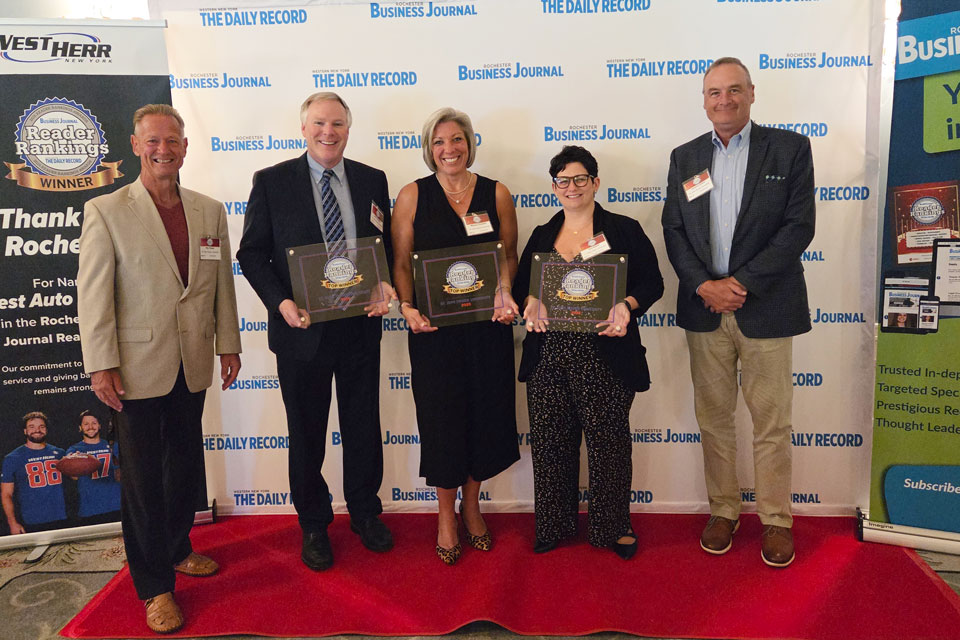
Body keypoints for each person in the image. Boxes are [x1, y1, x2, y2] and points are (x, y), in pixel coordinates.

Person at [77, 103, 242, 633]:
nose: (163, 150)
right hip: (136, 368)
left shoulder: (208, 210)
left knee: (183, 467)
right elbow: (94, 294)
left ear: (185, 146)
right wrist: (101, 363)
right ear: (134, 145)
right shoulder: (107, 210)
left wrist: (228, 344)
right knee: (144, 481)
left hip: (190, 363)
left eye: (172, 140)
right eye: (153, 141)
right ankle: (154, 588)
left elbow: (219, 286)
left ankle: (176, 549)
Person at [661, 57, 816, 568]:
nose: (723, 101)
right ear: (703, 100)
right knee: (715, 420)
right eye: (713, 93)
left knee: (772, 423)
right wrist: (705, 284)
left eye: (733, 90)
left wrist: (740, 283)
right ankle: (724, 509)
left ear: (752, 93)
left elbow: (798, 227)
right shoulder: (684, 158)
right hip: (705, 308)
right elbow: (674, 231)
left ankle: (775, 520)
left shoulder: (790, 148)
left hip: (766, 306)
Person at [236, 92, 395, 573]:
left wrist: (384, 284)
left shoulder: (372, 179)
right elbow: (251, 254)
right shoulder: (272, 181)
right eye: (321, 124)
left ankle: (365, 512)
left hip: (359, 329)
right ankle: (312, 523)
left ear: (349, 129)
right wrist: (279, 302)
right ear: (304, 128)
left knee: (364, 425)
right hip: (301, 331)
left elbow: (380, 246)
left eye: (339, 124)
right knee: (306, 433)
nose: (330, 132)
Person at [514, 146, 664, 559]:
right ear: (553, 187)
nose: (572, 187)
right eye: (563, 180)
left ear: (596, 182)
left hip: (605, 354)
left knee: (608, 442)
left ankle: (612, 526)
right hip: (549, 353)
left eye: (581, 179)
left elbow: (653, 283)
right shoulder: (543, 234)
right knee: (550, 442)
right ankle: (553, 524)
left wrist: (627, 305)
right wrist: (531, 300)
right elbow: (520, 286)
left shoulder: (624, 228)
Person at [392, 107, 520, 565]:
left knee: (485, 417)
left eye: (457, 140)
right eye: (440, 142)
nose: (450, 149)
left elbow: (509, 255)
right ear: (429, 149)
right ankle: (445, 514)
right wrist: (406, 307)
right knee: (443, 421)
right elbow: (401, 261)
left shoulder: (496, 192)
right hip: (434, 332)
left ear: (470, 143)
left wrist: (505, 292)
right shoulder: (411, 195)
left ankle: (472, 506)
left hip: (488, 330)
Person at [1, 412, 66, 534]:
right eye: (32, 427)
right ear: (25, 431)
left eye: (42, 426)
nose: (37, 430)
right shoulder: (13, 458)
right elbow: (6, 494)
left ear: (46, 430)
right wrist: (12, 522)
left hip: (61, 517)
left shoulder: (60, 453)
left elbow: (74, 478)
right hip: (32, 520)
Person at [64, 410, 121, 525]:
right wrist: (80, 465)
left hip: (116, 505)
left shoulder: (113, 446)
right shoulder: (74, 450)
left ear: (99, 425)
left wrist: (115, 466)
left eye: (94, 423)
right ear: (80, 427)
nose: (90, 427)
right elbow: (74, 477)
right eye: (86, 424)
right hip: (90, 509)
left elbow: (121, 477)